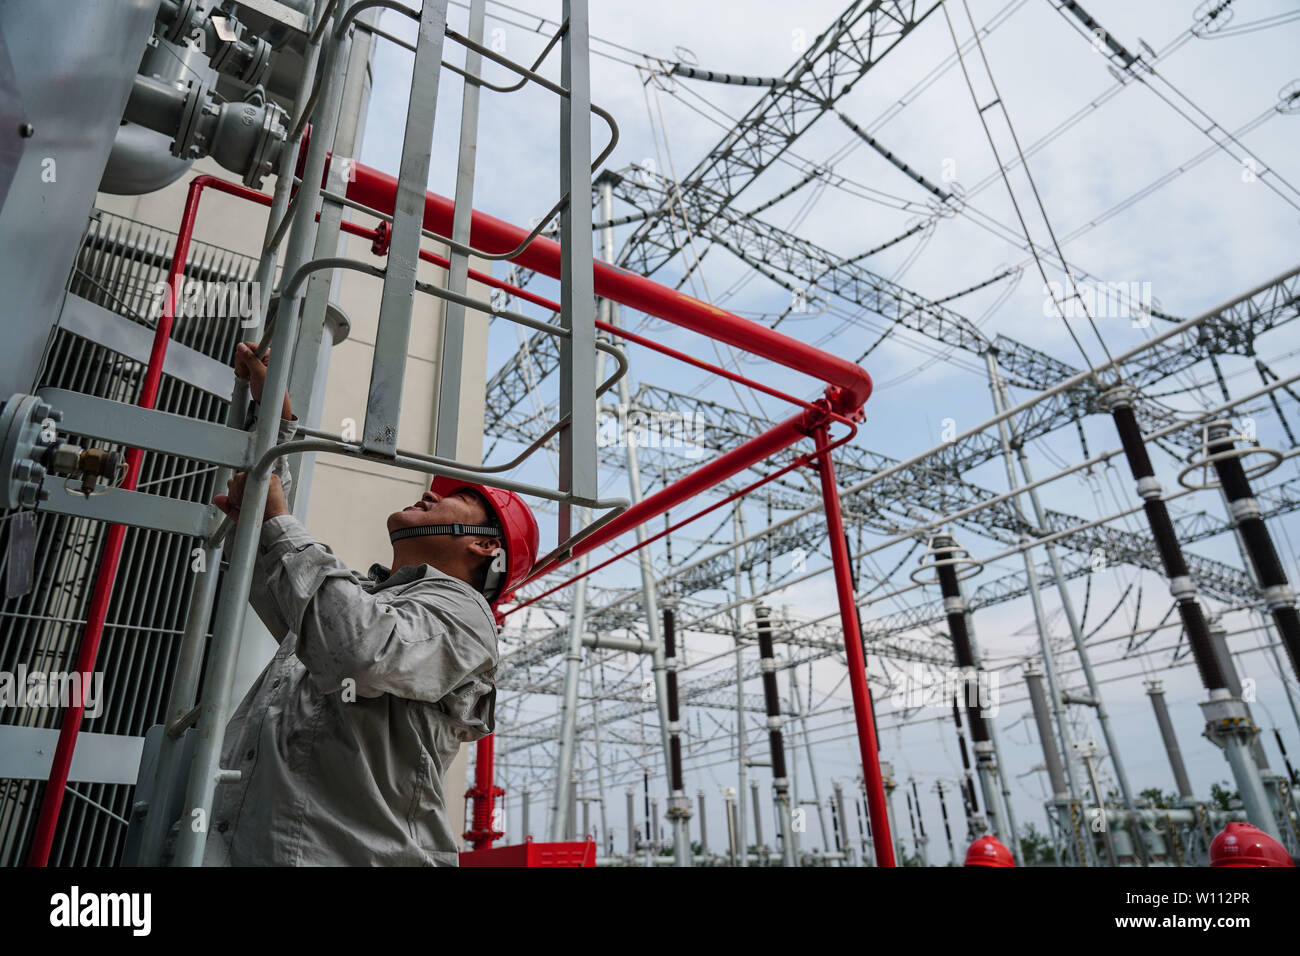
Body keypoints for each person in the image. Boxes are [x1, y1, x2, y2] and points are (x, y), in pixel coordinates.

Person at [194, 342, 539, 866]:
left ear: (485, 545)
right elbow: (284, 579)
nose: (428, 495)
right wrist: (276, 424)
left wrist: (279, 521)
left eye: (455, 499)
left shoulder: (465, 616)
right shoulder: (372, 600)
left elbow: (360, 648)